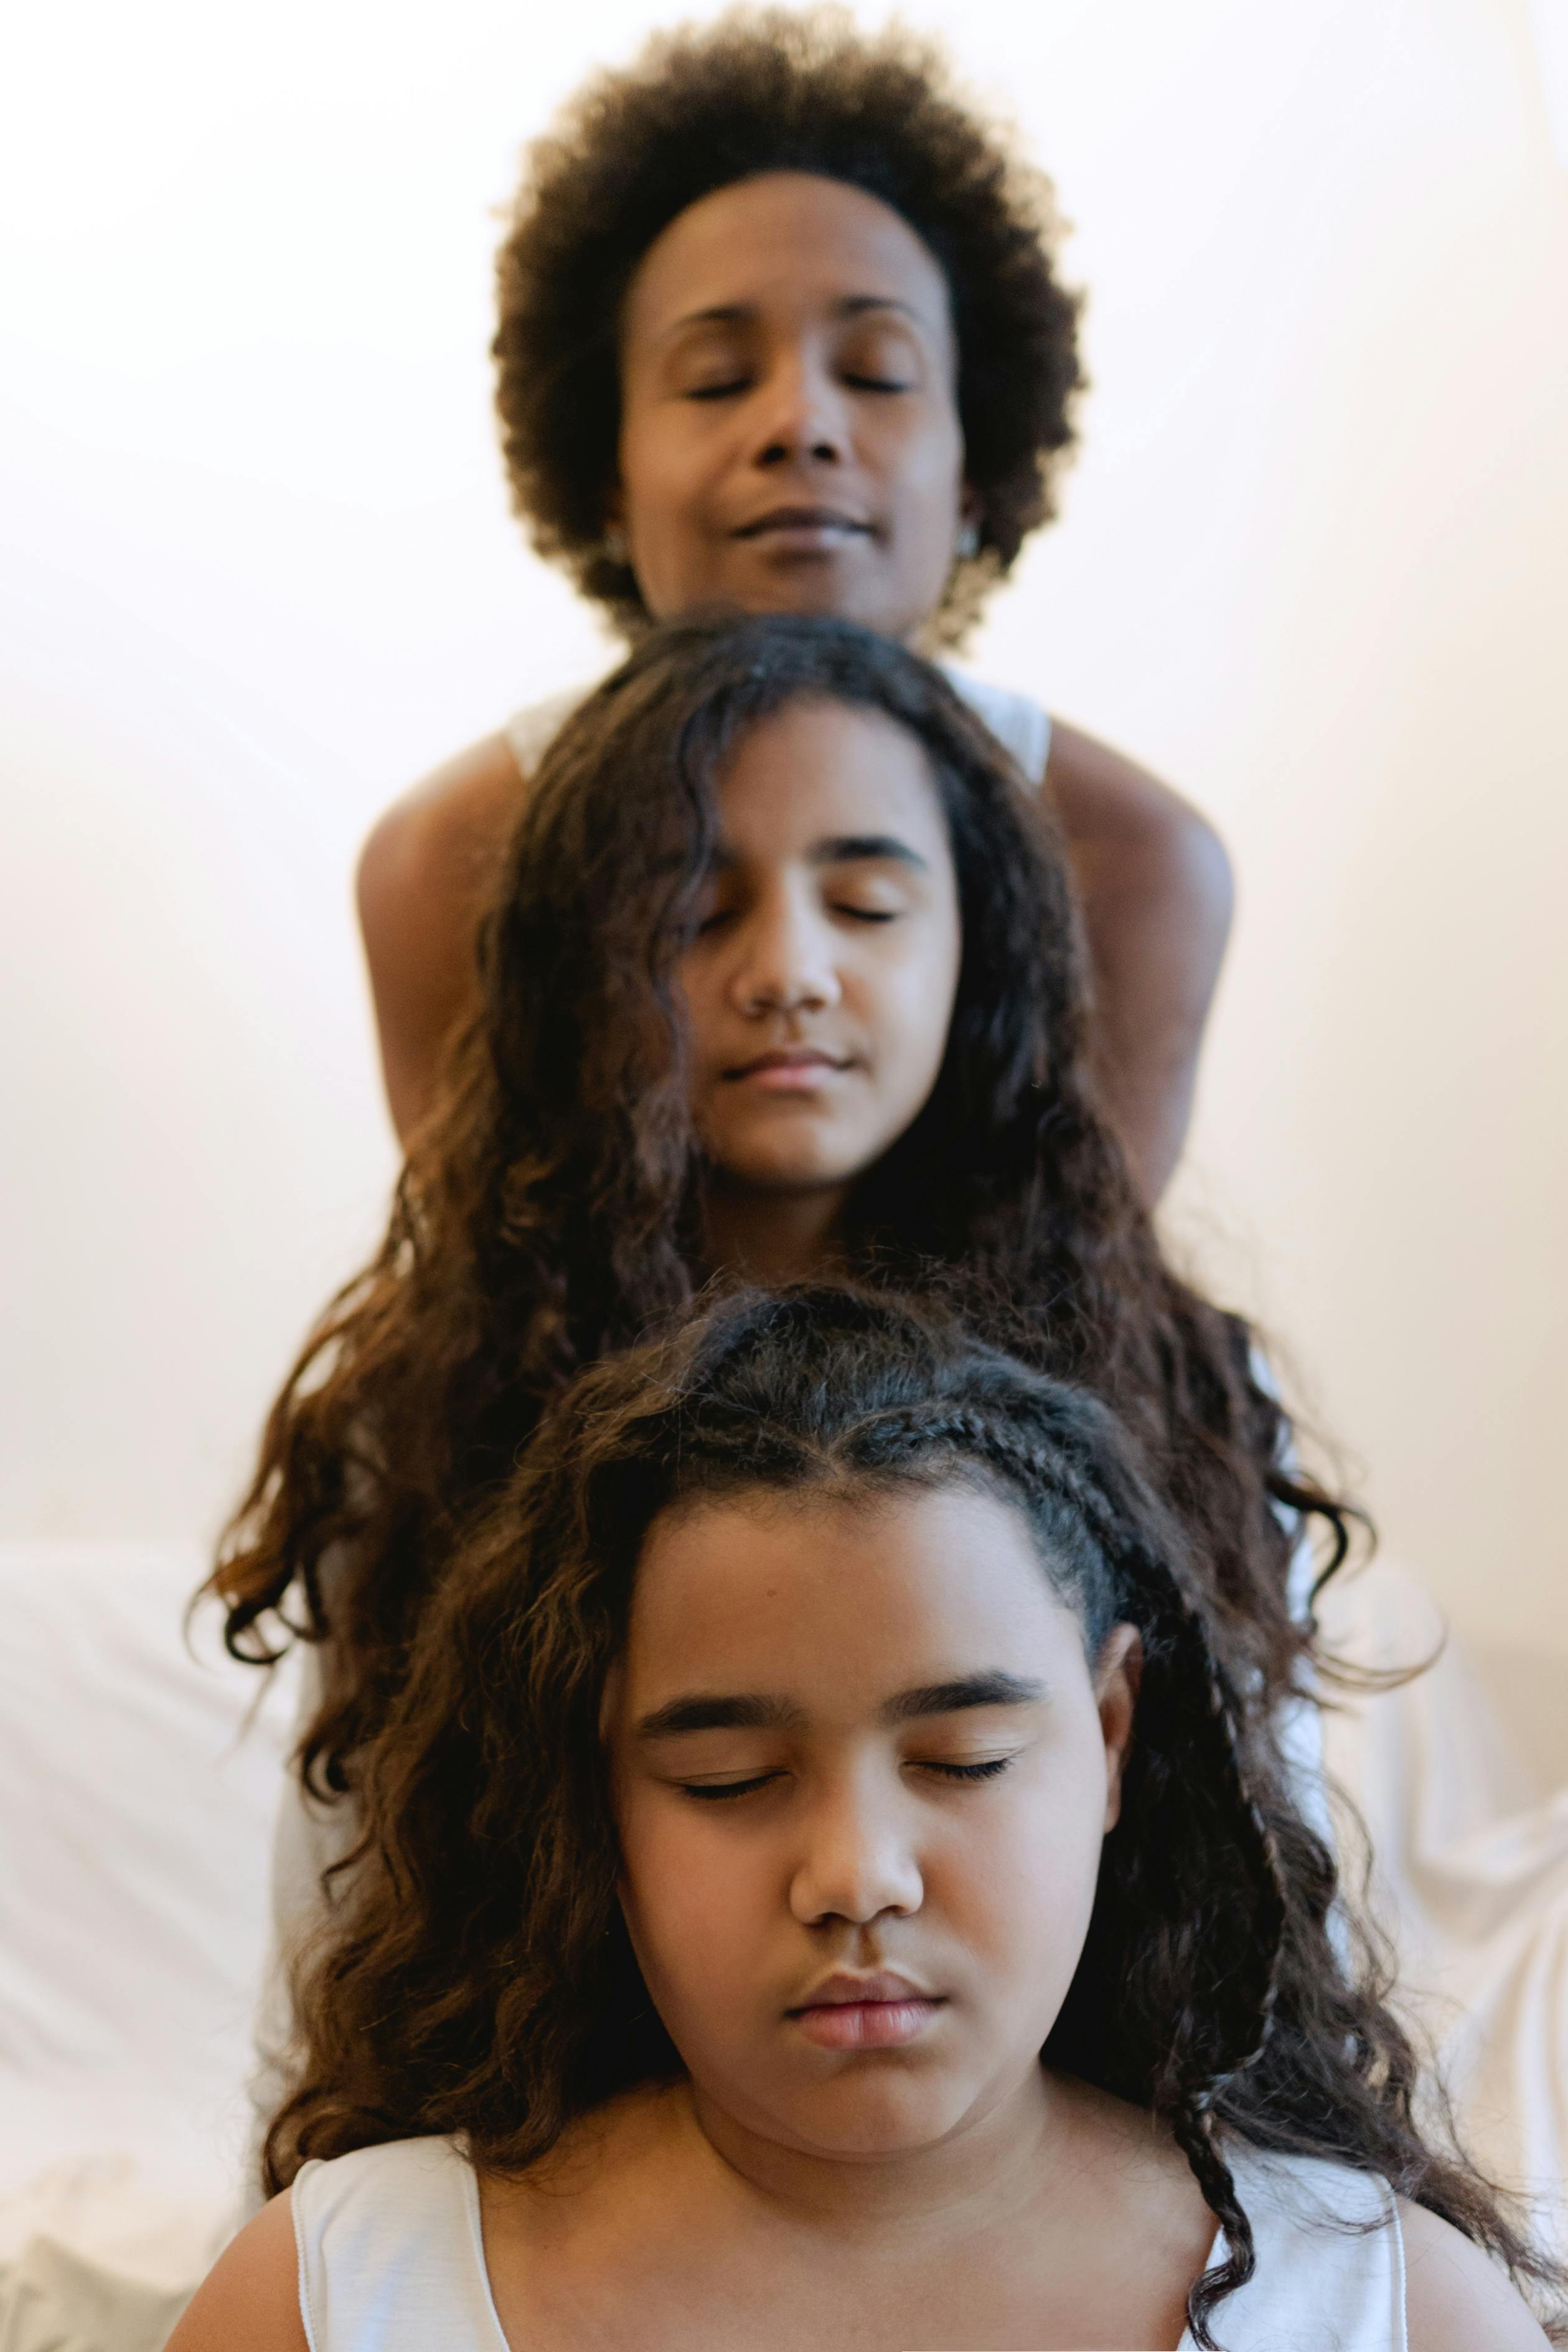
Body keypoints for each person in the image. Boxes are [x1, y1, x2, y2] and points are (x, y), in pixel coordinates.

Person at [171, 1289, 1559, 2350]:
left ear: (1113, 1733)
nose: (855, 1877)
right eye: (727, 1780)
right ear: (593, 1793)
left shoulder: (1379, 2307)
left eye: (961, 1758)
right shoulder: (340, 2295)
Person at [359, 9, 1232, 1201]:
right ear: (606, 475)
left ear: (975, 469)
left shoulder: (1134, 864)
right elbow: (491, 1319)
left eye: (876, 372)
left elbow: (1089, 1328)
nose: (801, 424)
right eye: (717, 379)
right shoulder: (448, 870)